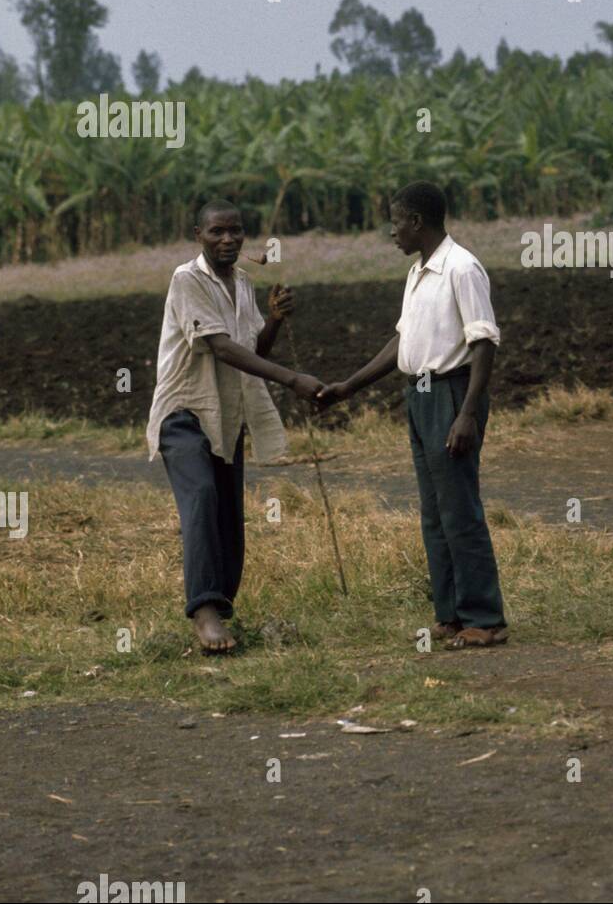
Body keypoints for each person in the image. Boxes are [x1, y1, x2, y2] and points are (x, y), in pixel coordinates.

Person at [317, 181, 507, 648]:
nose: (392, 232)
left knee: (459, 509)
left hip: (451, 396)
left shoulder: (462, 268)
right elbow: (402, 341)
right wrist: (348, 386)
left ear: (417, 222)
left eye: (396, 221)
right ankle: (450, 614)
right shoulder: (418, 271)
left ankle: (485, 618)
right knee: (434, 512)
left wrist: (466, 415)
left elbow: (484, 343)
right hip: (420, 397)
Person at [146, 199, 324, 654]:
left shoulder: (243, 284)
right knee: (202, 497)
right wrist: (293, 380)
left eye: (236, 232)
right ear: (198, 235)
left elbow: (252, 350)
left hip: (228, 414)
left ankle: (222, 606)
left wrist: (277, 321)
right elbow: (221, 348)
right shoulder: (187, 280)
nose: (227, 240)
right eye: (216, 232)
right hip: (185, 411)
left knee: (228, 512)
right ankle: (203, 612)